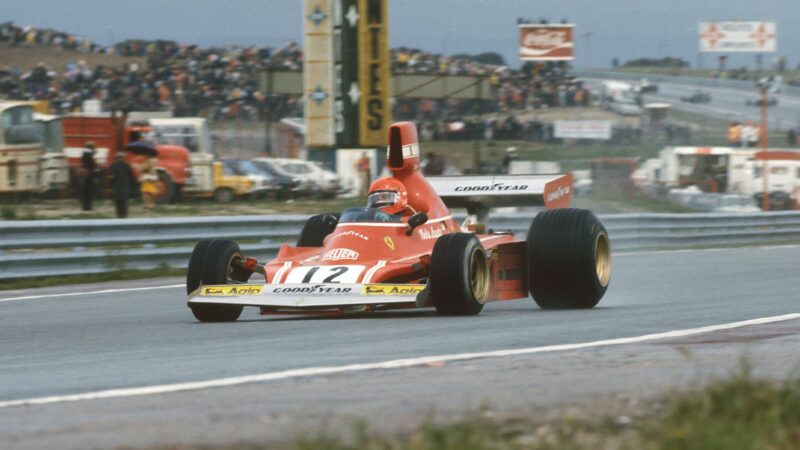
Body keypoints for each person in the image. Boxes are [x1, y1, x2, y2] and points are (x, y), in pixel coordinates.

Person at [108, 153, 134, 218]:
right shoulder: (126, 165)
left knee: (117, 199)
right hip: (125, 184)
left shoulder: (113, 165)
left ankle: (119, 213)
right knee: (124, 199)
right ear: (122, 158)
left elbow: (110, 176)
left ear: (116, 158)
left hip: (116, 185)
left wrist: (111, 184)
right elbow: (130, 175)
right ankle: (124, 213)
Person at [79, 141, 96, 211]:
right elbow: (91, 164)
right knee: (88, 192)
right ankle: (88, 207)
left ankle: (84, 207)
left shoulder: (83, 153)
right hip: (89, 175)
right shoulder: (89, 154)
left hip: (84, 175)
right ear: (90, 147)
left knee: (84, 192)